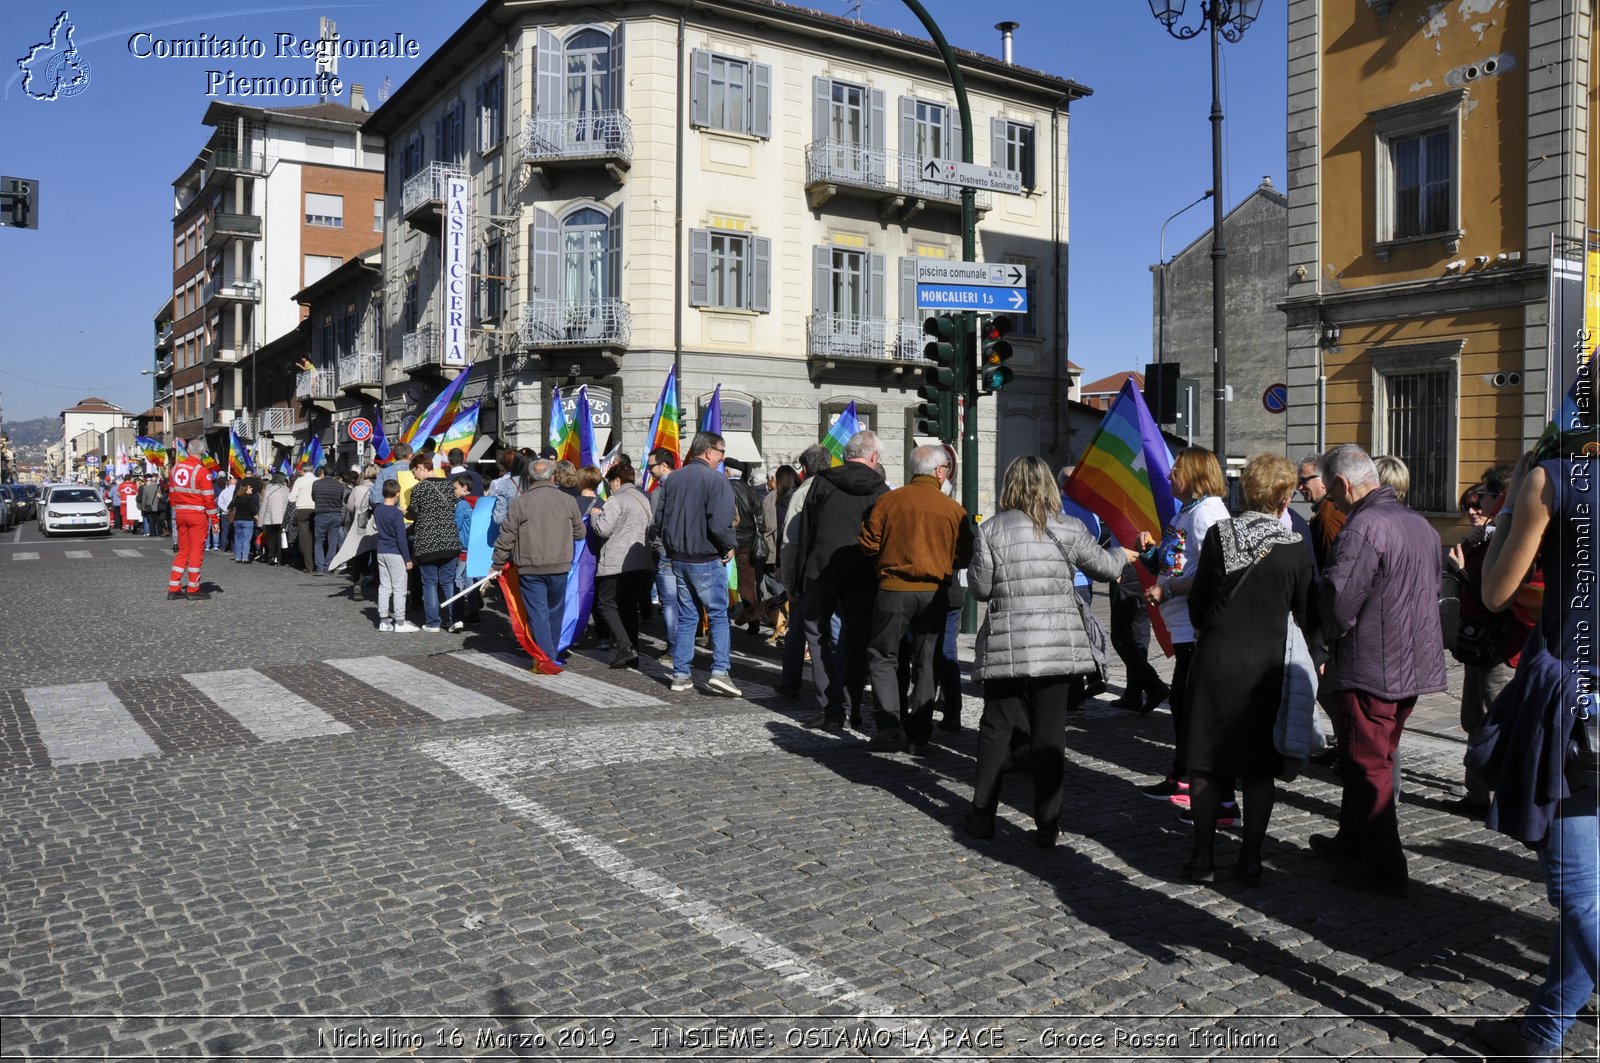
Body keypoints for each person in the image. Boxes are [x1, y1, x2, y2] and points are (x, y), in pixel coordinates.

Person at [1470, 442, 1598, 1062]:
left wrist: (1514, 502)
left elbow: (1497, 592)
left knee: (1578, 892)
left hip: (1581, 708)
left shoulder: (1555, 479)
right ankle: (1543, 1030)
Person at [961, 455, 1126, 848]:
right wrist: (1125, 554)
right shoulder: (1069, 528)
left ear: (1009, 485)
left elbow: (980, 590)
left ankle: (983, 815)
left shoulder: (991, 531)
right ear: (1050, 486)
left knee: (995, 729)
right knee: (1050, 735)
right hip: (1055, 647)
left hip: (1007, 645)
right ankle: (1048, 824)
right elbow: (1104, 566)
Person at [1311, 443, 1446, 897]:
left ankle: (1386, 868)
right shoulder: (1419, 524)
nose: (1331, 500)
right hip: (1409, 661)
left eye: (1331, 491)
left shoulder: (1364, 526)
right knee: (1370, 756)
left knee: (1368, 764)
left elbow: (1340, 600)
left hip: (1373, 664)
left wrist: (1327, 633)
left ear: (1344, 484)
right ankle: (1352, 843)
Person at [1181, 454, 1315, 885]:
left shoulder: (1222, 535)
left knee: (1205, 763)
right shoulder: (1296, 546)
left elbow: (1198, 602)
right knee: (1259, 769)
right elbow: (1304, 612)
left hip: (1217, 661)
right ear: (1286, 494)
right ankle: (1251, 860)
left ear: (1247, 489)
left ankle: (1203, 858)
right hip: (1268, 669)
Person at [855, 445, 972, 752]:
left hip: (893, 589)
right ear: (939, 472)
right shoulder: (953, 510)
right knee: (927, 660)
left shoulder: (889, 501)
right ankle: (919, 733)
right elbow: (964, 555)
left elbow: (868, 544)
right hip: (935, 592)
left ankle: (889, 724)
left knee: (883, 656)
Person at [1138, 447, 1233, 817]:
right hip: (1179, 624)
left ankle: (1194, 781)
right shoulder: (1186, 511)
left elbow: (1216, 571)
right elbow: (1177, 560)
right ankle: (1181, 774)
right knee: (1181, 704)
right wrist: (1151, 556)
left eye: (1176, 470)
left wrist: (1168, 590)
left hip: (1195, 627)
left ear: (1194, 475)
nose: (1169, 475)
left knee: (1188, 705)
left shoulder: (1209, 515)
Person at [793, 432, 890, 728]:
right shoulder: (881, 489)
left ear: (847, 454)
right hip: (863, 572)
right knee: (857, 640)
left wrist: (797, 579)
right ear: (873, 457)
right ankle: (853, 706)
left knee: (817, 635)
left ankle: (831, 708)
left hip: (821, 569)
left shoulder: (822, 482)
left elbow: (805, 533)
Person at [655, 433, 741, 696]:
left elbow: (660, 519)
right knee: (718, 615)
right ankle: (720, 672)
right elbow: (719, 523)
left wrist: (672, 547)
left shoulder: (672, 478)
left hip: (679, 558)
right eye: (721, 451)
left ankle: (681, 674)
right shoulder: (716, 479)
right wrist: (729, 544)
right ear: (707, 452)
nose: (722, 457)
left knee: (688, 616)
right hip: (705, 557)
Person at [491, 457, 586, 659]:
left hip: (530, 566)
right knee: (555, 611)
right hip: (559, 564)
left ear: (529, 478)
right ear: (552, 477)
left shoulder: (520, 503)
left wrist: (497, 562)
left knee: (538, 613)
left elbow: (506, 536)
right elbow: (580, 533)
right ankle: (549, 653)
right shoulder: (568, 501)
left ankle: (546, 656)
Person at [775, 446, 834, 698]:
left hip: (807, 575)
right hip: (835, 572)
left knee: (798, 631)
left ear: (806, 467)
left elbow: (791, 542)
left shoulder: (801, 494)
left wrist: (789, 583)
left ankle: (791, 684)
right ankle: (835, 687)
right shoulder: (837, 489)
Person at [591, 460, 655, 669]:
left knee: (605, 603)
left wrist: (594, 517)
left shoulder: (615, 500)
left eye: (610, 483)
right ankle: (633, 652)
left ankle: (626, 646)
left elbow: (603, 530)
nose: (610, 487)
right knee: (629, 607)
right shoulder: (644, 498)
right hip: (641, 560)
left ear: (617, 481)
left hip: (616, 562)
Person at [165, 449, 217, 600]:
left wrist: (177, 509)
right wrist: (214, 519)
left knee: (183, 551)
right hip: (197, 515)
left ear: (188, 451)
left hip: (181, 514)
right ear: (202, 451)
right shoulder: (202, 471)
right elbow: (208, 498)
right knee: (196, 551)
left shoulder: (175, 469)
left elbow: (172, 493)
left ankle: (174, 587)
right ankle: (193, 589)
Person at [645, 447, 680, 665]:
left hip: (666, 550)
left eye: (651, 467)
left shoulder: (660, 491)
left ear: (664, 466)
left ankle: (674, 647)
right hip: (687, 550)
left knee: (669, 603)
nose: (649, 471)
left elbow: (655, 524)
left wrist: (654, 544)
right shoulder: (687, 485)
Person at [373, 479, 417, 632]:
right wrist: (408, 559)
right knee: (399, 588)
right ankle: (399, 621)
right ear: (397, 494)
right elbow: (401, 538)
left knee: (384, 586)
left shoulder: (377, 510)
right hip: (395, 553)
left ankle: (384, 620)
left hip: (381, 551)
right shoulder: (397, 513)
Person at [727, 458, 763, 634]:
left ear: (727, 472)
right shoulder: (752, 491)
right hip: (748, 543)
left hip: (727, 542)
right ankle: (754, 621)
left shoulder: (723, 488)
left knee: (725, 581)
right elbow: (760, 518)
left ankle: (723, 618)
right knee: (747, 584)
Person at [1296, 453, 1347, 572]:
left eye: (1303, 481)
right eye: (1298, 482)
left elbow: (1334, 565)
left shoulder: (1328, 516)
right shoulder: (1327, 509)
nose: (1299, 488)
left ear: (1323, 480)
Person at [450, 475, 484, 626]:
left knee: (458, 579)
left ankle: (457, 613)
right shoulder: (479, 503)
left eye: (455, 488)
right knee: (470, 579)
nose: (453, 491)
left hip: (463, 547)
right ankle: (475, 610)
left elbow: (456, 526)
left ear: (465, 488)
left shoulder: (463, 505)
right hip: (476, 547)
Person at [310, 464, 346, 575]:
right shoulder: (340, 486)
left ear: (323, 472)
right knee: (332, 541)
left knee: (319, 541)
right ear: (334, 473)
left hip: (321, 514)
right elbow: (341, 499)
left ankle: (320, 567)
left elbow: (313, 498)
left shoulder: (316, 484)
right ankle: (329, 566)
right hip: (335, 514)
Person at [287, 461, 318, 572]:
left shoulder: (300, 480)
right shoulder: (317, 480)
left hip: (302, 510)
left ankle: (309, 566)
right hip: (316, 510)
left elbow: (291, 498)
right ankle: (318, 563)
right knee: (317, 538)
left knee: (305, 539)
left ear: (302, 470)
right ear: (313, 469)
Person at [257, 473, 290, 566]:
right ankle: (279, 558)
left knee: (271, 538)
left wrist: (260, 521)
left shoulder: (268, 490)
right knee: (281, 538)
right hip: (282, 518)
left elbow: (263, 506)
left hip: (269, 518)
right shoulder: (286, 490)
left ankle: (271, 556)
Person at [227, 479, 258, 564]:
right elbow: (253, 511)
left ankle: (238, 558)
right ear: (245, 489)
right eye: (250, 488)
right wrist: (258, 519)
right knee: (246, 540)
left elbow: (229, 507)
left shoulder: (236, 498)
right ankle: (245, 558)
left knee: (238, 539)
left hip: (237, 520)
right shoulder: (249, 499)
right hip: (247, 520)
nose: (251, 489)